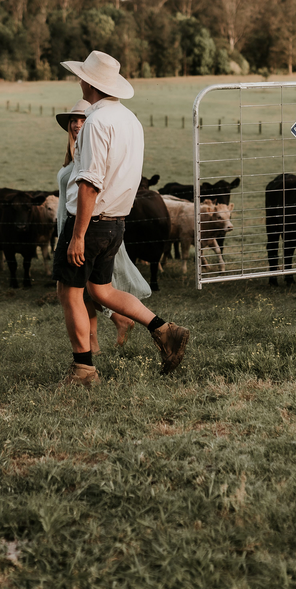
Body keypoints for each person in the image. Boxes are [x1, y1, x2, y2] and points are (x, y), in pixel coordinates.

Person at [53, 51, 190, 387]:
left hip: (91, 220)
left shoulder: (96, 122)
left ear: (89, 82)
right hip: (116, 221)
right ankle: (164, 330)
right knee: (101, 289)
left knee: (69, 292)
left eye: (82, 76)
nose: (80, 80)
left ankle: (83, 370)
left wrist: (78, 235)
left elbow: (89, 183)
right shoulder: (130, 120)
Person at [55, 99, 145, 353]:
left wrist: (79, 234)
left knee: (85, 290)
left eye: (82, 119)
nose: (76, 124)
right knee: (86, 290)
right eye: (73, 120)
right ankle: (99, 341)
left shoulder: (93, 150)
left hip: (86, 227)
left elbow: (92, 187)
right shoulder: (74, 154)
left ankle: (104, 338)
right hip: (72, 226)